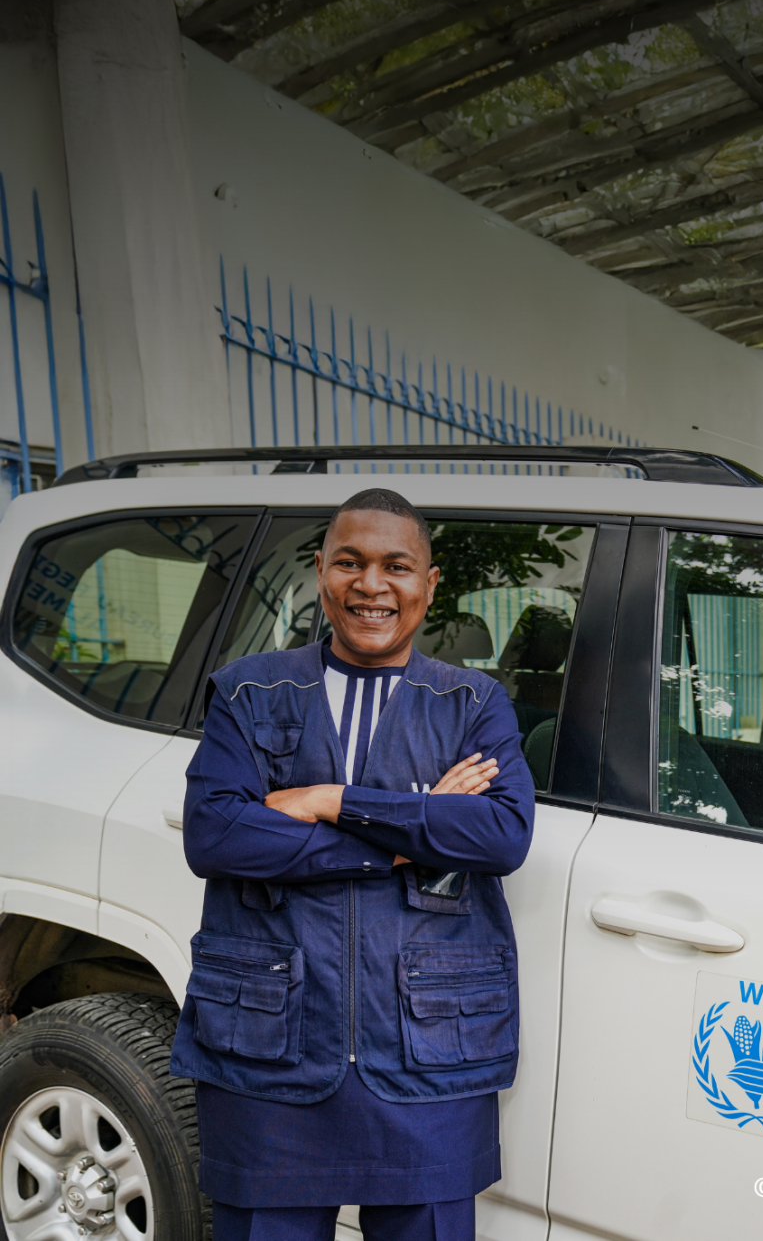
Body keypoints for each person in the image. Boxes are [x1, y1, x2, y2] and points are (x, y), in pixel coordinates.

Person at [170, 487, 535, 1241]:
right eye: (350, 563)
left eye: (396, 566)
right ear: (321, 572)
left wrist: (329, 799)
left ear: (428, 584)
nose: (372, 586)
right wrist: (411, 837)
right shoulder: (249, 690)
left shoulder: (472, 703)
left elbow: (500, 836)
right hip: (267, 1053)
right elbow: (215, 837)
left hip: (429, 1054)